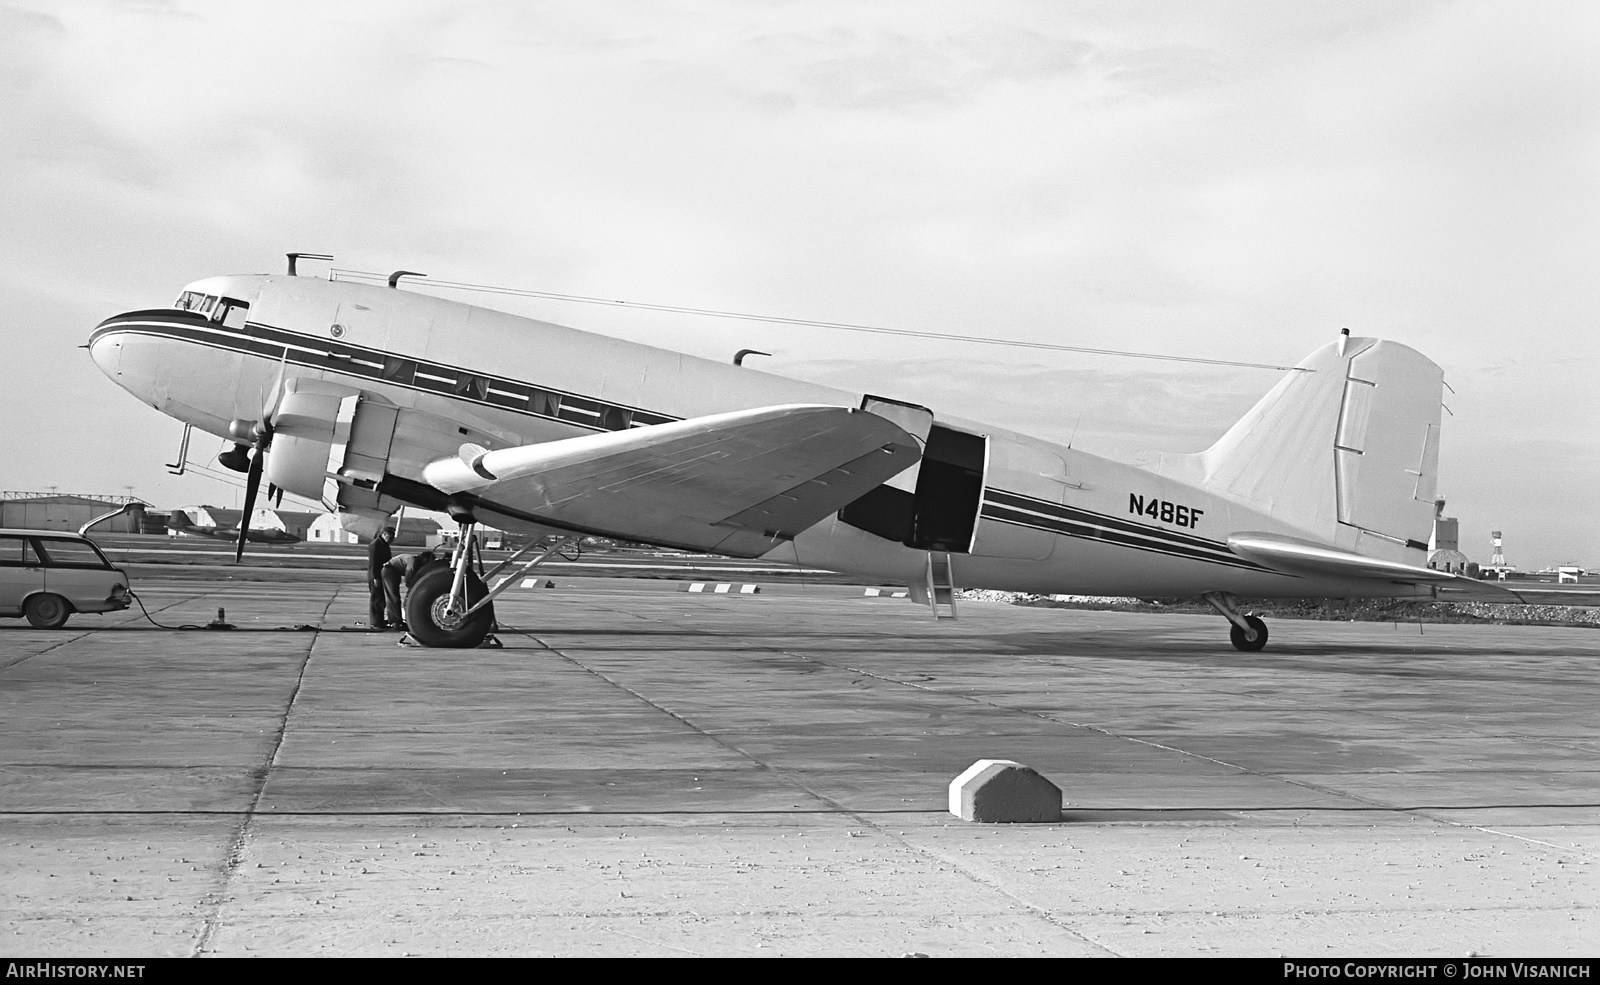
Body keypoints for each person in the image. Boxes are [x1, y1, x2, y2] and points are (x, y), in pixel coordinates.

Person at [381, 548, 439, 631]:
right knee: (393, 597)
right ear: (424, 560)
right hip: (389, 571)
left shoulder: (415, 560)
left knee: (394, 596)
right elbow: (408, 580)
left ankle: (396, 620)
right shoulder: (413, 561)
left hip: (394, 571)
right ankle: (395, 621)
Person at [366, 526, 395, 629]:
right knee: (376, 599)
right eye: (391, 537)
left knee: (381, 599)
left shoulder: (383, 544)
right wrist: (376, 577)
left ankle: (379, 621)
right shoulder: (376, 545)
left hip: (380, 575)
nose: (392, 540)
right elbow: (373, 563)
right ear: (385, 535)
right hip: (376, 575)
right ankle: (375, 623)